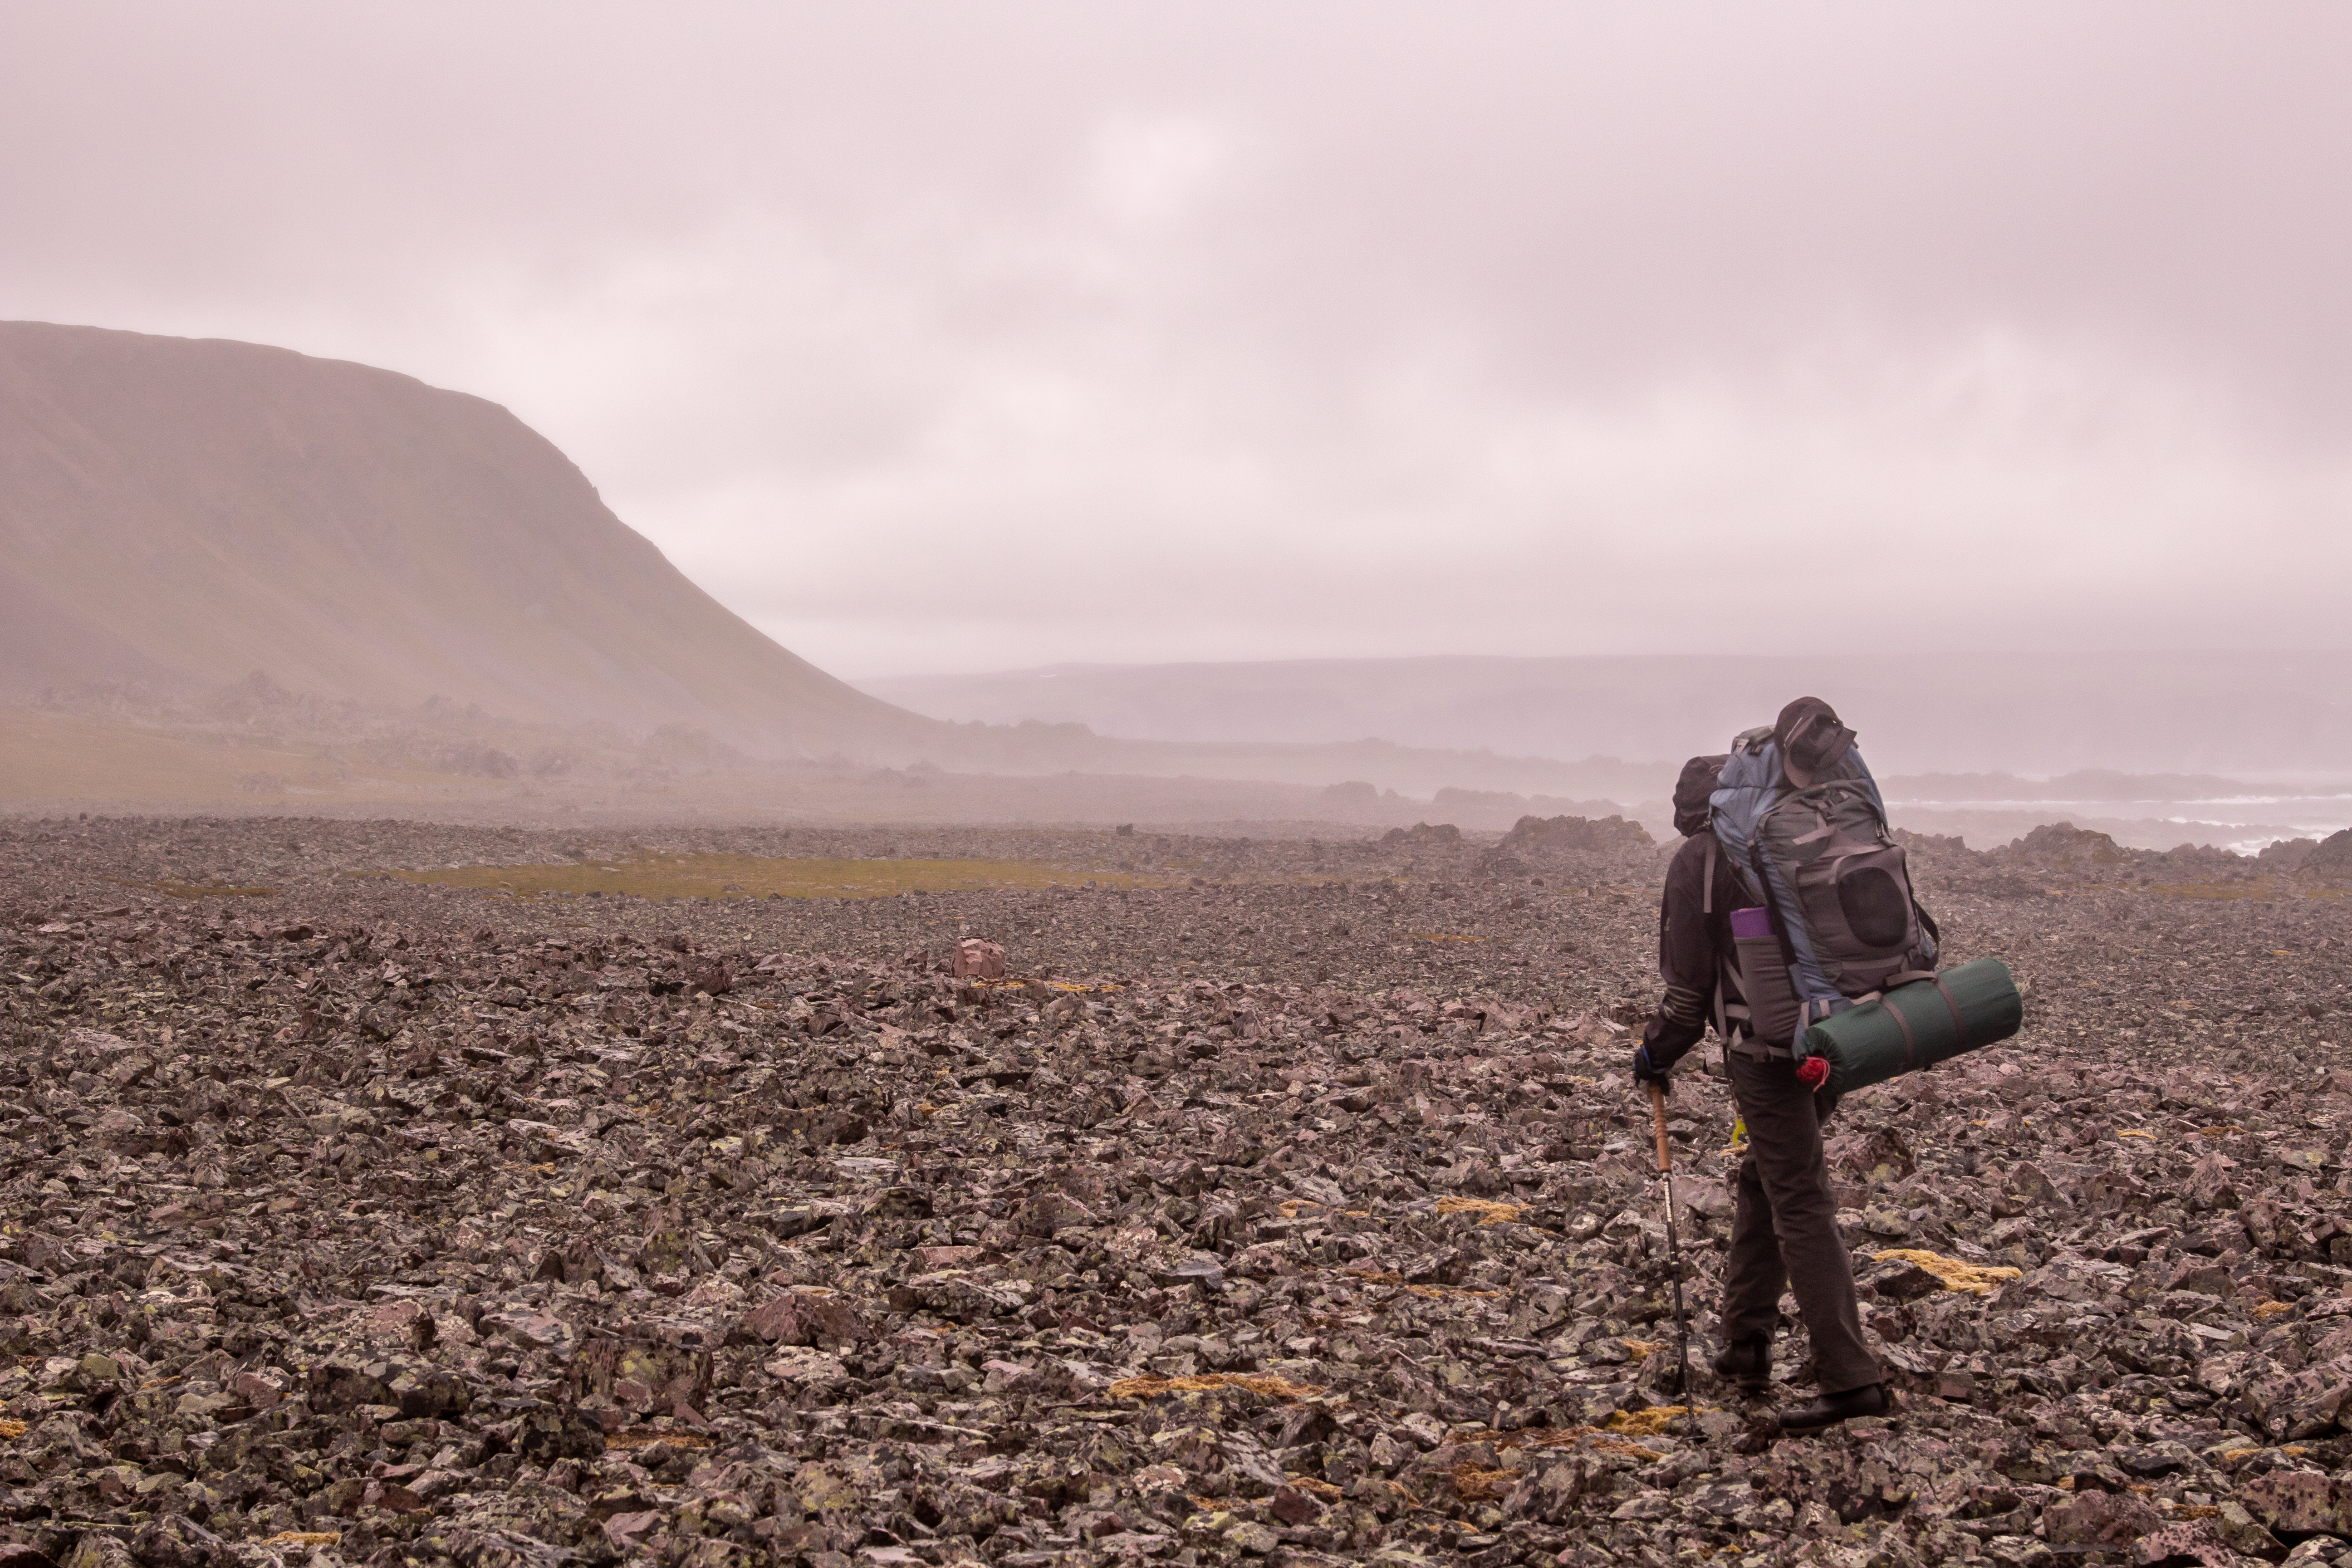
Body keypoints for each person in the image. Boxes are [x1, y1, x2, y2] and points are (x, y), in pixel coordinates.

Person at [1630, 701, 1890, 1434]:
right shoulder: (1796, 836)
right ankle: (1746, 1341)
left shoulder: (1698, 862)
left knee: (1799, 1196)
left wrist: (1653, 1056)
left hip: (1767, 1051)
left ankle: (1851, 1377)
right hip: (1842, 1035)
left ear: (1693, 812)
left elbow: (1686, 1001)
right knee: (1767, 1178)